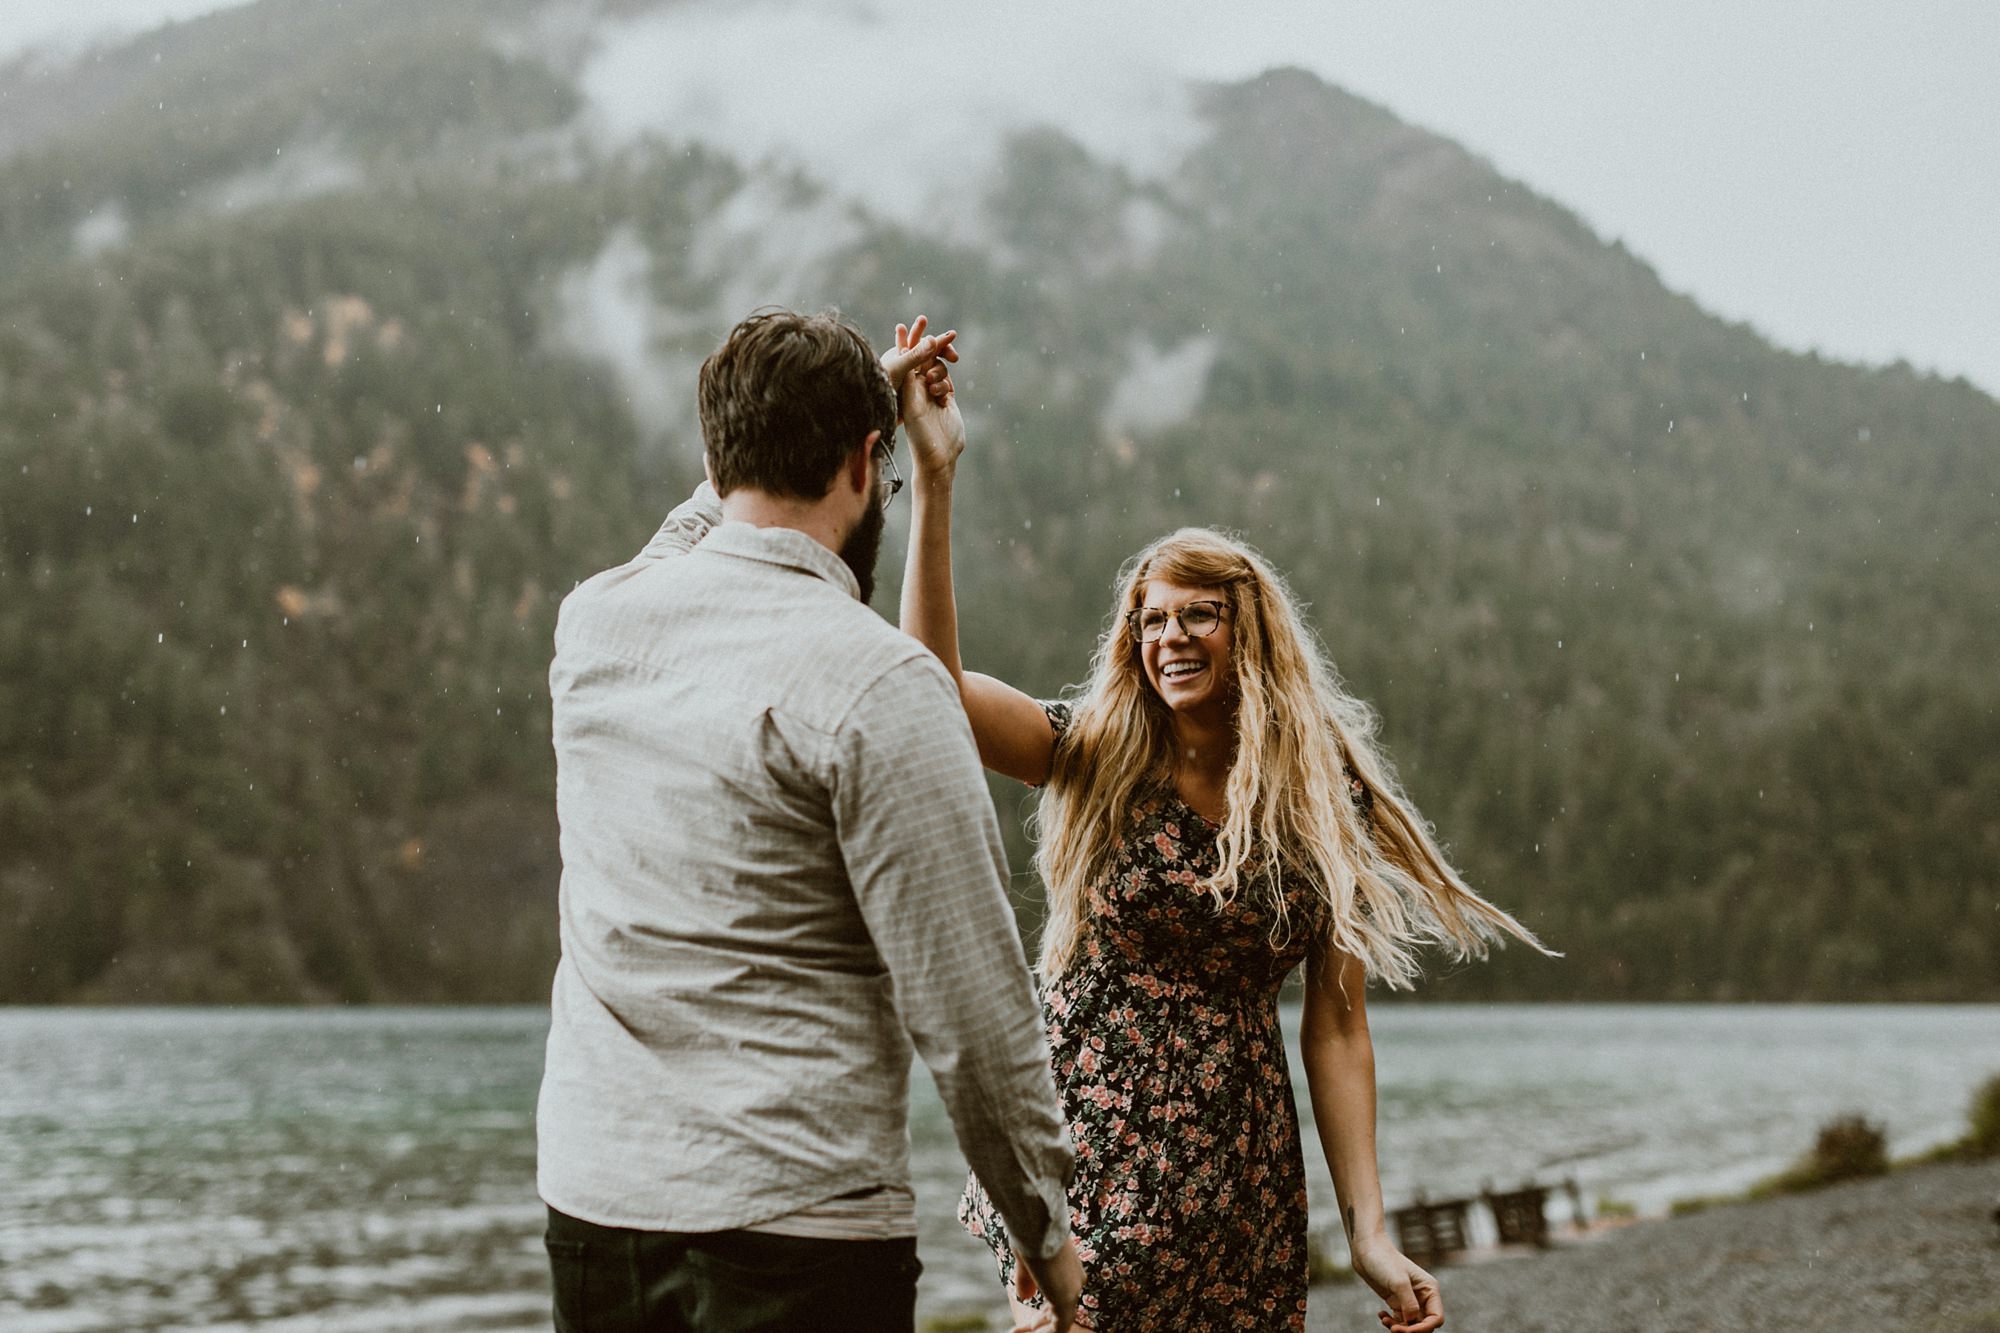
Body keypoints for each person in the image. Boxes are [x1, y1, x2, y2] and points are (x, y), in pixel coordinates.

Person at [888, 324, 1551, 1333]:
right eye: (1151, 620)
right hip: (1087, 1155)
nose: (1169, 638)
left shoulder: (1320, 806)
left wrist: (1368, 1231)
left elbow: (1333, 1026)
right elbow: (925, 688)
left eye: (1195, 614)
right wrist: (933, 478)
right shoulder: (1096, 755)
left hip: (1237, 1170)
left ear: (1249, 631)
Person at [536, 309, 1083, 1333]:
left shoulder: (596, 624)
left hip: (595, 1205)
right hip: (797, 1233)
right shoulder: (880, 681)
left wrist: (848, 406)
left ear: (711, 454)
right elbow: (968, 1009)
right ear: (865, 461)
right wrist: (1045, 1235)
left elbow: (697, 526)